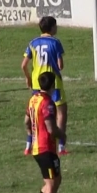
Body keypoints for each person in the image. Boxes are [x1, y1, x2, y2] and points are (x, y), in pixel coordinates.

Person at [24, 71, 66, 193]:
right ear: (52, 85)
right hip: (45, 148)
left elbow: (27, 121)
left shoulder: (33, 99)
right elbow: (50, 128)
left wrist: (31, 134)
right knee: (51, 186)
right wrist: (61, 134)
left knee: (55, 180)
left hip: (38, 148)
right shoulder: (47, 102)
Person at [22, 16, 68, 155]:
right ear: (52, 28)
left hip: (37, 82)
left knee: (33, 111)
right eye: (56, 25)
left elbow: (23, 65)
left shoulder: (33, 42)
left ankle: (29, 145)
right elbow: (60, 65)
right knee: (61, 112)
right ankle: (61, 147)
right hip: (53, 82)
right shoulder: (56, 42)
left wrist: (28, 78)